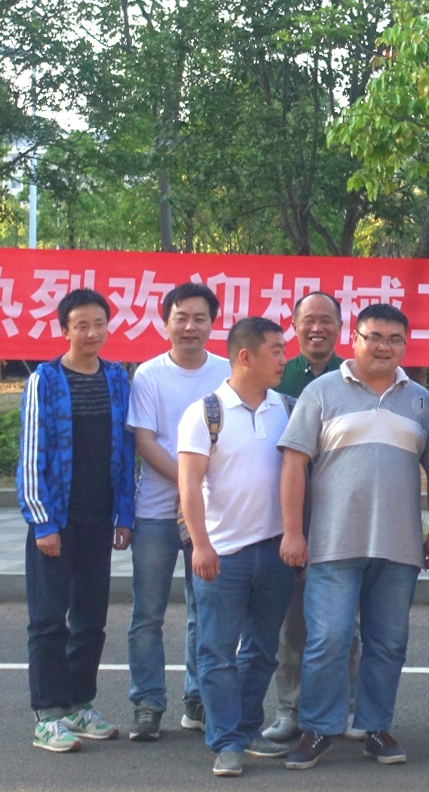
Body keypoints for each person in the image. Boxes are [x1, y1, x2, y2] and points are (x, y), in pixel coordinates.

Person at [277, 303, 429, 770]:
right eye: (374, 337)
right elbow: (293, 463)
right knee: (328, 640)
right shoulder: (321, 391)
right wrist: (293, 531)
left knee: (388, 643)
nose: (384, 347)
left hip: (399, 546)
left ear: (405, 345)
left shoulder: (421, 401)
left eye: (395, 340)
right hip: (332, 543)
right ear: (354, 338)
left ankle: (376, 726)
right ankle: (318, 728)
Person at [177, 317, 296, 776]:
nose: (284, 358)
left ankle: (246, 730)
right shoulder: (206, 412)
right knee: (217, 652)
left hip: (275, 552)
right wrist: (200, 545)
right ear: (245, 356)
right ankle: (225, 741)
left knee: (262, 651)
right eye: (276, 350)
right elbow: (189, 484)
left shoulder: (286, 408)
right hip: (223, 555)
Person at [18, 288, 135, 753]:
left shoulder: (117, 379)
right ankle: (48, 714)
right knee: (48, 620)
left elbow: (125, 450)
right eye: (81, 325)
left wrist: (124, 513)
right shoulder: (44, 381)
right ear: (64, 330)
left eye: (99, 324)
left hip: (99, 517)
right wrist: (42, 522)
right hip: (57, 519)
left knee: (90, 618)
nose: (91, 333)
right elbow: (32, 454)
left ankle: (80, 704)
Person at [127, 282, 230, 742]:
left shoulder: (226, 372)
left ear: (212, 323)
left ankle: (198, 699)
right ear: (165, 322)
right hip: (155, 512)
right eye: (181, 317)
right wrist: (189, 483)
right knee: (148, 613)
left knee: (203, 609)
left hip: (209, 514)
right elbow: (145, 441)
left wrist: (196, 492)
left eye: (199, 318)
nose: (190, 326)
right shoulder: (149, 375)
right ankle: (147, 702)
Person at [264, 291, 358, 745]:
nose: (317, 328)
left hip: (343, 514)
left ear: (340, 327)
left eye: (326, 320)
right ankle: (290, 709)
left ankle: (349, 707)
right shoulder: (278, 376)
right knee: (294, 622)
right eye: (308, 320)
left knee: (344, 624)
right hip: (291, 514)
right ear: (295, 326)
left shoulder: (354, 376)